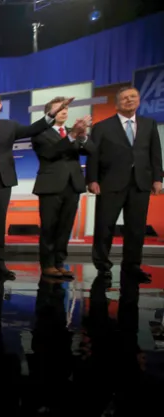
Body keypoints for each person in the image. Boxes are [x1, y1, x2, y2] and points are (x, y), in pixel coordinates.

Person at [0, 89, 73, 281]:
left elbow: (34, 129)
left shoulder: (10, 126)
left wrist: (52, 113)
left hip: (2, 180)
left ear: (0, 105)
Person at [86, 86, 162, 283]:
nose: (130, 100)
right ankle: (103, 266)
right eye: (125, 98)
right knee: (105, 226)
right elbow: (93, 155)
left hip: (140, 183)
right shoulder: (102, 127)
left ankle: (132, 266)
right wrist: (92, 179)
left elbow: (155, 154)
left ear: (139, 100)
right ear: (117, 103)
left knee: (136, 228)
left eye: (133, 97)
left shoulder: (149, 124)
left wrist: (157, 179)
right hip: (110, 183)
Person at [31, 97, 94, 279]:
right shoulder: (40, 132)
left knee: (65, 227)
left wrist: (81, 135)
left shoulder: (71, 132)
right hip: (50, 186)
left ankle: (59, 263)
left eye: (66, 109)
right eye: (59, 109)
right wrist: (73, 135)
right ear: (49, 113)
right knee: (49, 227)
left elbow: (91, 150)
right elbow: (51, 153)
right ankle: (48, 264)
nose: (64, 111)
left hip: (72, 185)